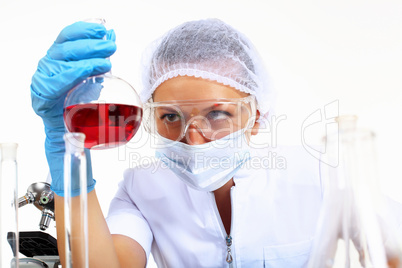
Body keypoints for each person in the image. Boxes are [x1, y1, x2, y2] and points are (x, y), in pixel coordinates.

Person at [30, 19, 400, 267]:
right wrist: (69, 150)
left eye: (218, 114)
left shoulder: (321, 175)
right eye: (170, 116)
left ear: (256, 116)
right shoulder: (142, 189)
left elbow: (392, 250)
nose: (193, 137)